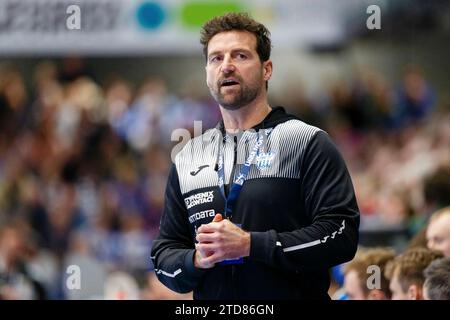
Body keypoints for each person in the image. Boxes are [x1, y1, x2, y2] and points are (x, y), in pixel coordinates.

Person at [150, 12, 360, 299]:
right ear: (207, 72)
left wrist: (251, 244)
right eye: (216, 58)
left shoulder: (306, 142)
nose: (226, 67)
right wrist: (197, 259)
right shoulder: (188, 157)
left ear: (267, 69)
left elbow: (341, 235)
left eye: (240, 56)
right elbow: (164, 255)